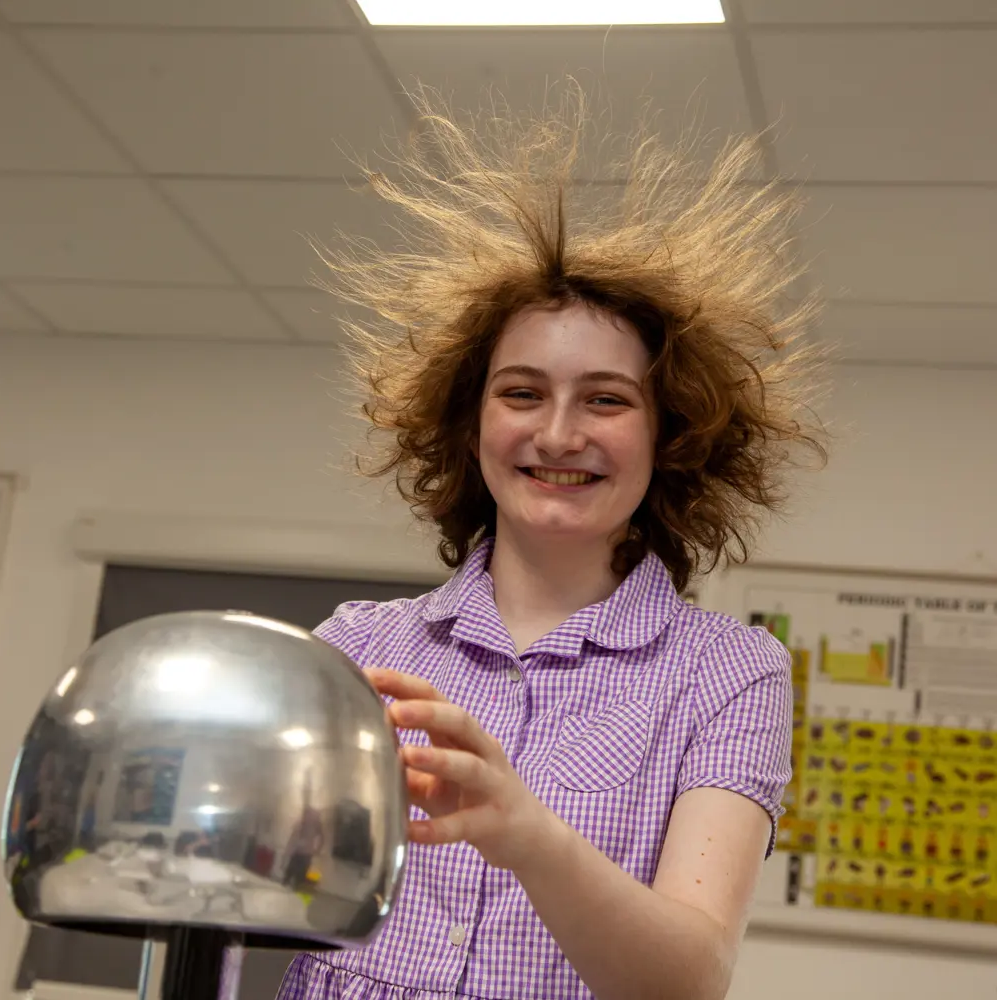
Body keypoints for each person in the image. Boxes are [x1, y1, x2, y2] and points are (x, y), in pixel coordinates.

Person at [278, 86, 827, 1000]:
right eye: (522, 393)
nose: (559, 433)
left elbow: (690, 980)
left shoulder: (733, 674)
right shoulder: (357, 648)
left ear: (671, 436)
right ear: (471, 424)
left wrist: (526, 834)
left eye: (607, 399)